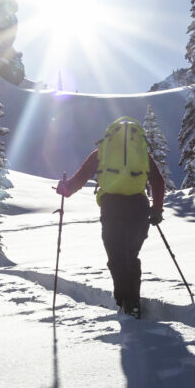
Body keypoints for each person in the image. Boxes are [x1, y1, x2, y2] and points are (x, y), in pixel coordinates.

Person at [55, 129, 165, 317]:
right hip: (139, 207)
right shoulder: (142, 154)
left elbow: (80, 178)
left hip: (112, 207)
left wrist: (65, 189)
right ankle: (132, 303)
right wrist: (157, 209)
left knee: (117, 257)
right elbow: (158, 181)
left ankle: (127, 304)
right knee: (131, 255)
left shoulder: (101, 153)